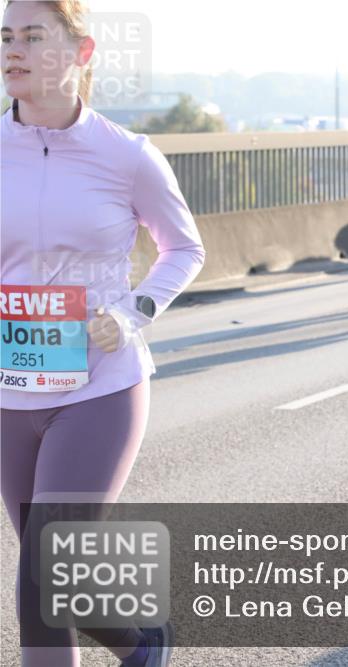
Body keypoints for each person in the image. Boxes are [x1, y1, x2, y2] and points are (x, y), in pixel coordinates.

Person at [1, 2, 206, 665]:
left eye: (35, 35)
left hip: (100, 387)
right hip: (10, 387)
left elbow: (184, 247)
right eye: (7, 35)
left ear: (82, 53)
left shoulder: (126, 156)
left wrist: (132, 312)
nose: (15, 49)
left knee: (42, 580)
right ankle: (143, 642)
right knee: (61, 581)